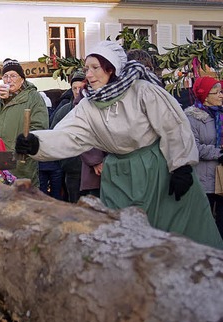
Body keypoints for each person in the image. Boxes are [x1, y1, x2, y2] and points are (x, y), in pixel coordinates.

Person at [15, 40, 223, 249]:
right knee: (122, 236)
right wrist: (36, 143)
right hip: (118, 176)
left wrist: (182, 167)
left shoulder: (142, 91)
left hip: (156, 170)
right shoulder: (88, 105)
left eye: (95, 68)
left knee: (169, 233)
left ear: (111, 67)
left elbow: (173, 125)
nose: (88, 74)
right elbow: (68, 135)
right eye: (87, 68)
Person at [0, 58, 48, 187]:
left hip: (20, 164)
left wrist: (22, 150)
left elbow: (40, 127)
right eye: (5, 76)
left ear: (22, 79)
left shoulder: (33, 97)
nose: (9, 80)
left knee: (23, 200)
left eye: (13, 76)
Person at [185, 76, 223, 237]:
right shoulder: (192, 118)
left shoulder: (220, 114)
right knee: (204, 222)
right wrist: (219, 153)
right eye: (217, 92)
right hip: (204, 178)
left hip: (221, 176)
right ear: (205, 96)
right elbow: (194, 146)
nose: (221, 95)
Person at [50, 69, 87, 203]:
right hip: (72, 169)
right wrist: (64, 162)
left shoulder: (96, 107)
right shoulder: (64, 111)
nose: (78, 91)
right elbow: (53, 136)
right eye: (74, 88)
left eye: (81, 87)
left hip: (95, 170)